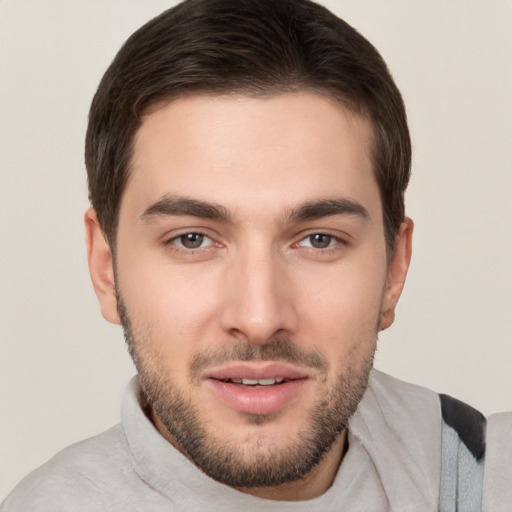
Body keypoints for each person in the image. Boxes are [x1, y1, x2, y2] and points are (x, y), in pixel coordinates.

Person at [2, 0, 510, 510]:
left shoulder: (486, 477)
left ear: (394, 268)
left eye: (319, 239)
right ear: (106, 268)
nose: (259, 318)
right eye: (192, 239)